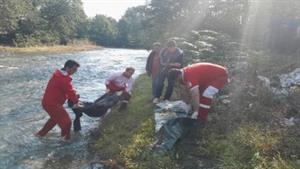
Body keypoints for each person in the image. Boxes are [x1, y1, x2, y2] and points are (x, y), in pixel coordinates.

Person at [36, 60, 82, 141]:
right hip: (52, 104)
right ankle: (65, 140)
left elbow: (64, 90)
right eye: (74, 69)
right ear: (67, 68)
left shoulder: (59, 75)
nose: (75, 71)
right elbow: (70, 91)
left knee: (54, 120)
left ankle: (40, 135)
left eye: (76, 70)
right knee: (67, 122)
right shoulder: (63, 78)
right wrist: (76, 102)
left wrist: (74, 97)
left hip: (48, 102)